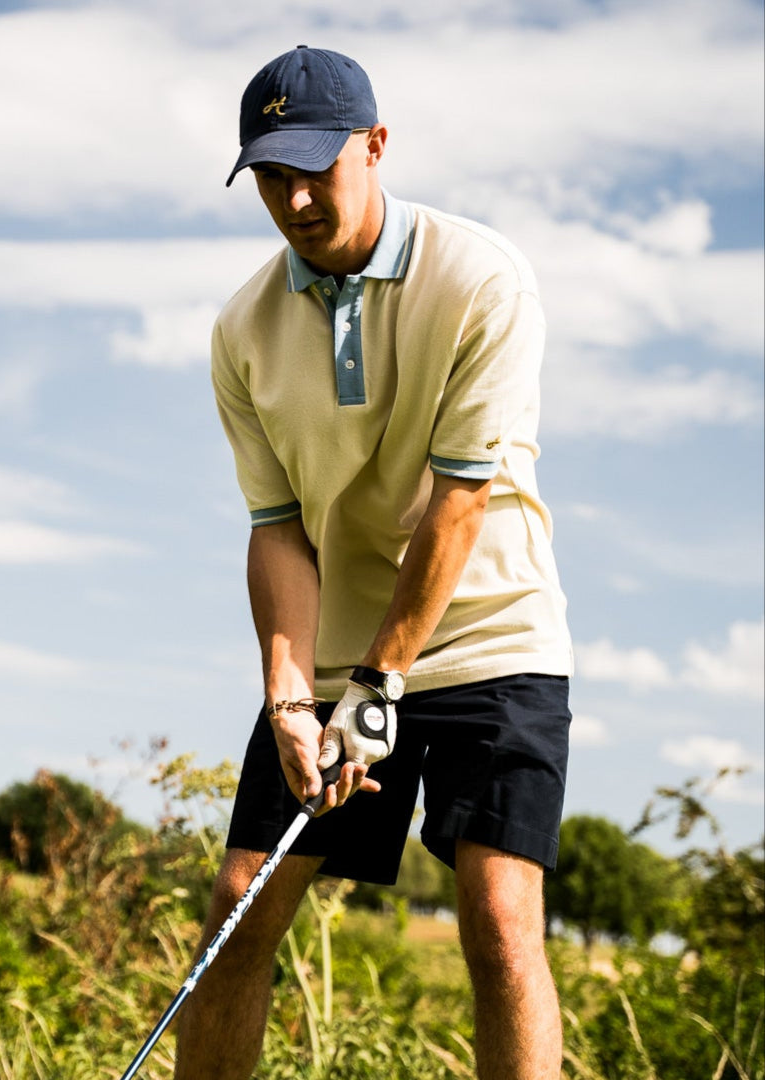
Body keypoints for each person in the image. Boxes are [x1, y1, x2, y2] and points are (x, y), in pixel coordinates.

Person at [175, 46, 574, 1080]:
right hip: (339, 651)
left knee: (496, 913)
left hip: (494, 638)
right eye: (271, 175)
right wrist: (289, 695)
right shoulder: (242, 330)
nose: (297, 198)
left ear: (376, 147)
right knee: (240, 902)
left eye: (318, 167)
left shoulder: (480, 277)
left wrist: (384, 680)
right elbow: (277, 526)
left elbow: (462, 498)